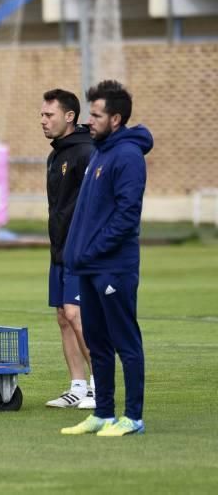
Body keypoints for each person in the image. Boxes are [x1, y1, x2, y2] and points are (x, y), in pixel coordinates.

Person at [61, 80, 153, 436]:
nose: (90, 121)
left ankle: (133, 417)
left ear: (115, 119)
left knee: (124, 341)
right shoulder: (100, 150)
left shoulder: (127, 155)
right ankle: (103, 413)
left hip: (113, 267)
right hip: (89, 267)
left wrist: (92, 249)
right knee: (97, 343)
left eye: (97, 115)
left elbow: (127, 216)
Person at [40, 89, 96, 410]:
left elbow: (95, 204)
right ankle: (77, 386)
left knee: (77, 315)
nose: (44, 121)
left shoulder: (86, 152)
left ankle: (100, 383)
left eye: (49, 115)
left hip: (81, 250)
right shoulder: (56, 154)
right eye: (42, 116)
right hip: (59, 249)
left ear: (69, 116)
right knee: (63, 317)